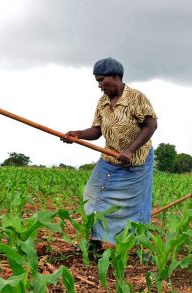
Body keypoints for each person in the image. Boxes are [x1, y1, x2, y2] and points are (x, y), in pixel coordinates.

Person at [63, 57, 158, 250]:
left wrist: (130, 150)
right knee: (93, 196)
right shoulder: (102, 102)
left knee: (136, 206)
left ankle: (140, 247)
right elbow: (97, 131)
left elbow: (151, 125)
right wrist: (78, 134)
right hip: (109, 159)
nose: (99, 86)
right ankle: (95, 241)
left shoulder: (136, 97)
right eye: (97, 81)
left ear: (115, 77)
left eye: (101, 80)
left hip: (136, 163)